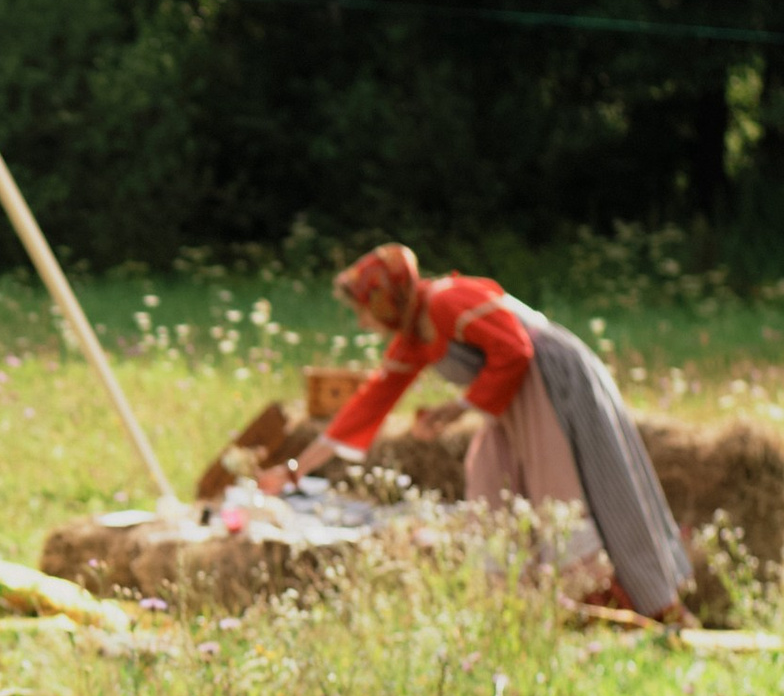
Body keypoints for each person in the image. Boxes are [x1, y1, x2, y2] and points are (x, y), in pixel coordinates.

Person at [264, 241, 691, 623]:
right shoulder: (413, 335)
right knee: (491, 481)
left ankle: (627, 606)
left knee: (572, 492)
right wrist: (294, 470)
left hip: (552, 381)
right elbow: (365, 408)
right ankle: (521, 608)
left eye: (363, 308)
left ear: (385, 299)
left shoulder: (446, 300)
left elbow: (516, 349)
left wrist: (457, 408)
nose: (362, 322)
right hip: (511, 401)